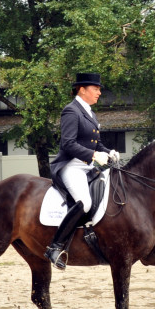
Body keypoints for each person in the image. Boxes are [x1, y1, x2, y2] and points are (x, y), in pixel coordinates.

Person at [45, 72, 120, 270]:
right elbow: (68, 144)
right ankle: (55, 247)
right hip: (71, 165)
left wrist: (108, 151)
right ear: (82, 89)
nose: (99, 93)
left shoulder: (89, 112)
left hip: (87, 165)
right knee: (85, 203)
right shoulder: (71, 111)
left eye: (99, 89)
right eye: (96, 89)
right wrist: (94, 156)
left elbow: (96, 143)